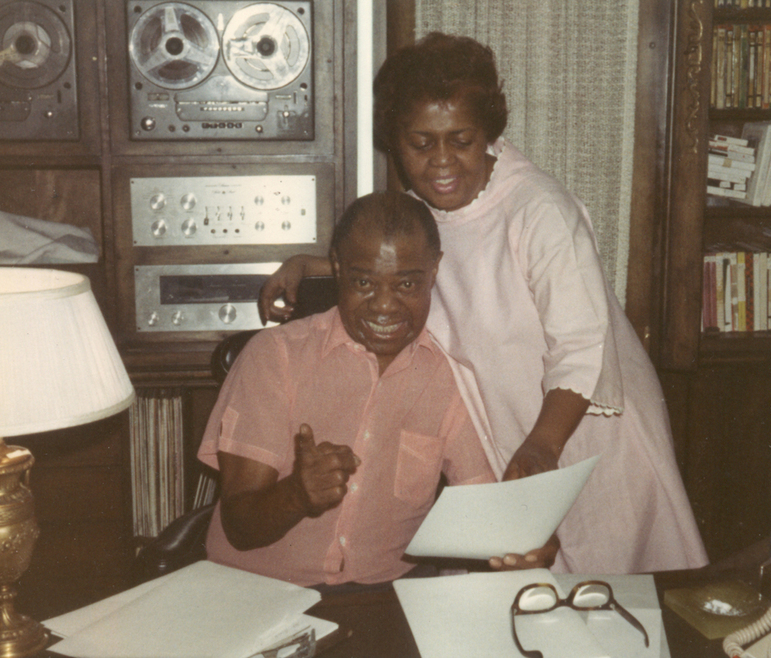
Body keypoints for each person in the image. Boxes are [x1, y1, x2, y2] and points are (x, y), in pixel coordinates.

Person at [259, 33, 708, 574]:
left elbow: (583, 344)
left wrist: (543, 444)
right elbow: (388, 261)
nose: (442, 161)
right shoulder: (422, 212)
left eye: (462, 140)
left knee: (605, 585)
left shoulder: (538, 210)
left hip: (587, 432)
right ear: (395, 143)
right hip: (507, 429)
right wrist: (309, 265)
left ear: (489, 135)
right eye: (421, 144)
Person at [198, 191, 557, 589]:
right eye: (364, 282)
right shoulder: (275, 356)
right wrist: (297, 495)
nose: (384, 306)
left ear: (434, 271)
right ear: (337, 267)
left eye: (406, 284)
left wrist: (525, 541)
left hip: (380, 600)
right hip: (258, 593)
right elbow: (240, 526)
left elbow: (484, 505)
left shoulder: (451, 375)